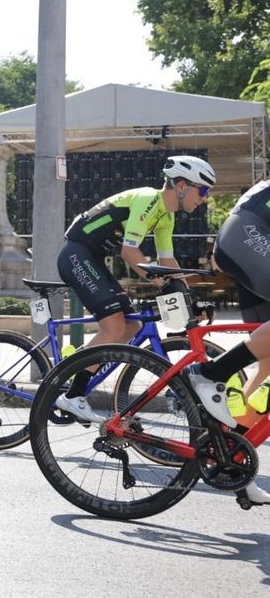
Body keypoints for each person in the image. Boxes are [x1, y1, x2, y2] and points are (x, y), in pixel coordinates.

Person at [54, 155, 216, 423]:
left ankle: (77, 373)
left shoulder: (166, 215)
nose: (205, 198)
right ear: (182, 186)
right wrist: (160, 283)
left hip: (92, 257)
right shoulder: (149, 200)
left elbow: (168, 262)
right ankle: (73, 394)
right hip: (76, 253)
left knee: (131, 327)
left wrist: (189, 297)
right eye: (204, 190)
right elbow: (130, 252)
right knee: (115, 327)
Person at [182, 179, 270, 505]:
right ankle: (211, 374)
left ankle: (231, 457)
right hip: (249, 235)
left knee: (269, 366)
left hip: (253, 237)